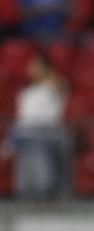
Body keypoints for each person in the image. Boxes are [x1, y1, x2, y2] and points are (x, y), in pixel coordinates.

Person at [4, 53, 66, 199]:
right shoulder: (27, 93)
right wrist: (11, 139)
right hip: (25, 137)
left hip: (45, 136)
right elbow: (21, 118)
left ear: (45, 68)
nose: (31, 69)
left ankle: (47, 204)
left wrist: (47, 69)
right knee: (26, 178)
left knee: (45, 178)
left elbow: (57, 85)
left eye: (35, 66)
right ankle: (27, 203)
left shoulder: (53, 86)